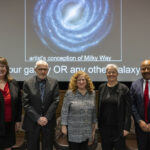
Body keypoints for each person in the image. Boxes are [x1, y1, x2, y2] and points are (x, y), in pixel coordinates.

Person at [22, 60, 59, 150]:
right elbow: (26, 103)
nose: (43, 71)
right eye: (40, 69)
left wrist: (46, 117)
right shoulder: (27, 83)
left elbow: (55, 101)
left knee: (48, 147)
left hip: (48, 121)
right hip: (32, 121)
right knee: (32, 147)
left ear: (48, 70)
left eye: (45, 69)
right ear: (35, 70)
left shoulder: (54, 82)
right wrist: (38, 118)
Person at [98, 64, 131, 150]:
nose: (111, 74)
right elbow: (99, 108)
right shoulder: (101, 88)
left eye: (113, 72)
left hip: (119, 129)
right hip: (104, 129)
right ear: (106, 74)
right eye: (109, 72)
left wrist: (126, 128)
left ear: (117, 74)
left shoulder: (124, 89)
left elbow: (128, 110)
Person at [61, 71, 97, 150]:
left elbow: (94, 111)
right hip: (73, 130)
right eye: (79, 80)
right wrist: (63, 126)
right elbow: (64, 111)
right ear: (75, 82)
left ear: (87, 81)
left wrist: (94, 128)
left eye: (83, 80)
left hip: (87, 130)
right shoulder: (69, 93)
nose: (81, 82)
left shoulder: (92, 93)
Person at [0, 57, 22, 150]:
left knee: (8, 147)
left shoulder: (13, 83)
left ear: (7, 68)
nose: (1, 69)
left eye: (3, 66)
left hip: (9, 124)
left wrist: (17, 120)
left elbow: (18, 104)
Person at [130, 59, 150, 150]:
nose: (146, 71)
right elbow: (132, 104)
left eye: (148, 68)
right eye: (143, 69)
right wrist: (139, 121)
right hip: (140, 127)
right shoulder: (135, 84)